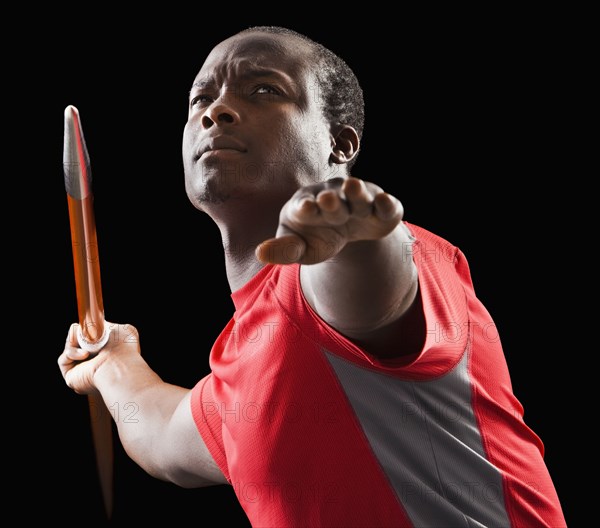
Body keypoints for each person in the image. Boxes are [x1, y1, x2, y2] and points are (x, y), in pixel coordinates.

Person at [58, 25, 567, 527]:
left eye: (264, 89)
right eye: (200, 99)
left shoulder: (410, 256)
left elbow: (374, 296)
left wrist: (357, 239)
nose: (216, 110)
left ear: (340, 145)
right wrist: (111, 364)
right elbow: (163, 433)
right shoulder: (247, 363)